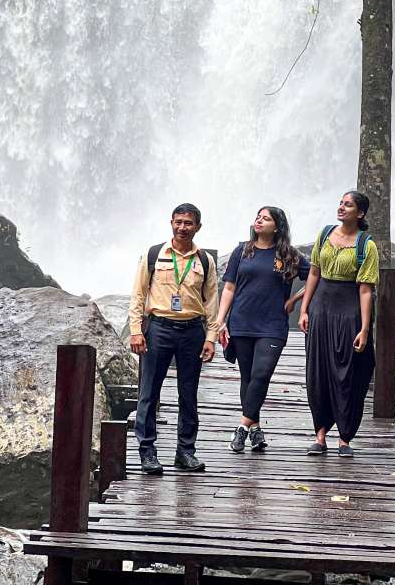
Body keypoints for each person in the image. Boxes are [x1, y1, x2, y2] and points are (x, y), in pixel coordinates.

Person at [128, 203, 218, 475]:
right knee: (149, 392)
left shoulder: (205, 261)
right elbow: (138, 294)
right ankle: (147, 452)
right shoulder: (155, 254)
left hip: (192, 330)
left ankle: (185, 452)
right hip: (159, 329)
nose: (182, 227)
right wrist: (136, 330)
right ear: (171, 223)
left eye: (188, 223)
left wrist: (211, 337)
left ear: (198, 227)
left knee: (188, 394)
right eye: (178, 222)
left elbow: (212, 300)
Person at [213, 206, 309, 453]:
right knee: (248, 378)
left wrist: (295, 300)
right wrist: (221, 320)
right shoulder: (242, 251)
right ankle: (255, 429)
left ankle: (242, 428)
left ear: (277, 226)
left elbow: (315, 277)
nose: (259, 221)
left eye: (266, 218)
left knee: (261, 374)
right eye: (258, 217)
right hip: (242, 322)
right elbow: (230, 288)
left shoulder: (289, 255)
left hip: (273, 324)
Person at [298, 191, 379, 458]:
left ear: (361, 213)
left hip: (348, 311)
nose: (342, 207)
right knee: (318, 371)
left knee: (347, 372)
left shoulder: (366, 245)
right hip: (321, 308)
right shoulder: (325, 234)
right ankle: (319, 435)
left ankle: (344, 437)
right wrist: (304, 308)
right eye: (341, 203)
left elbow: (366, 289)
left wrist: (365, 329)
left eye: (348, 205)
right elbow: (313, 273)